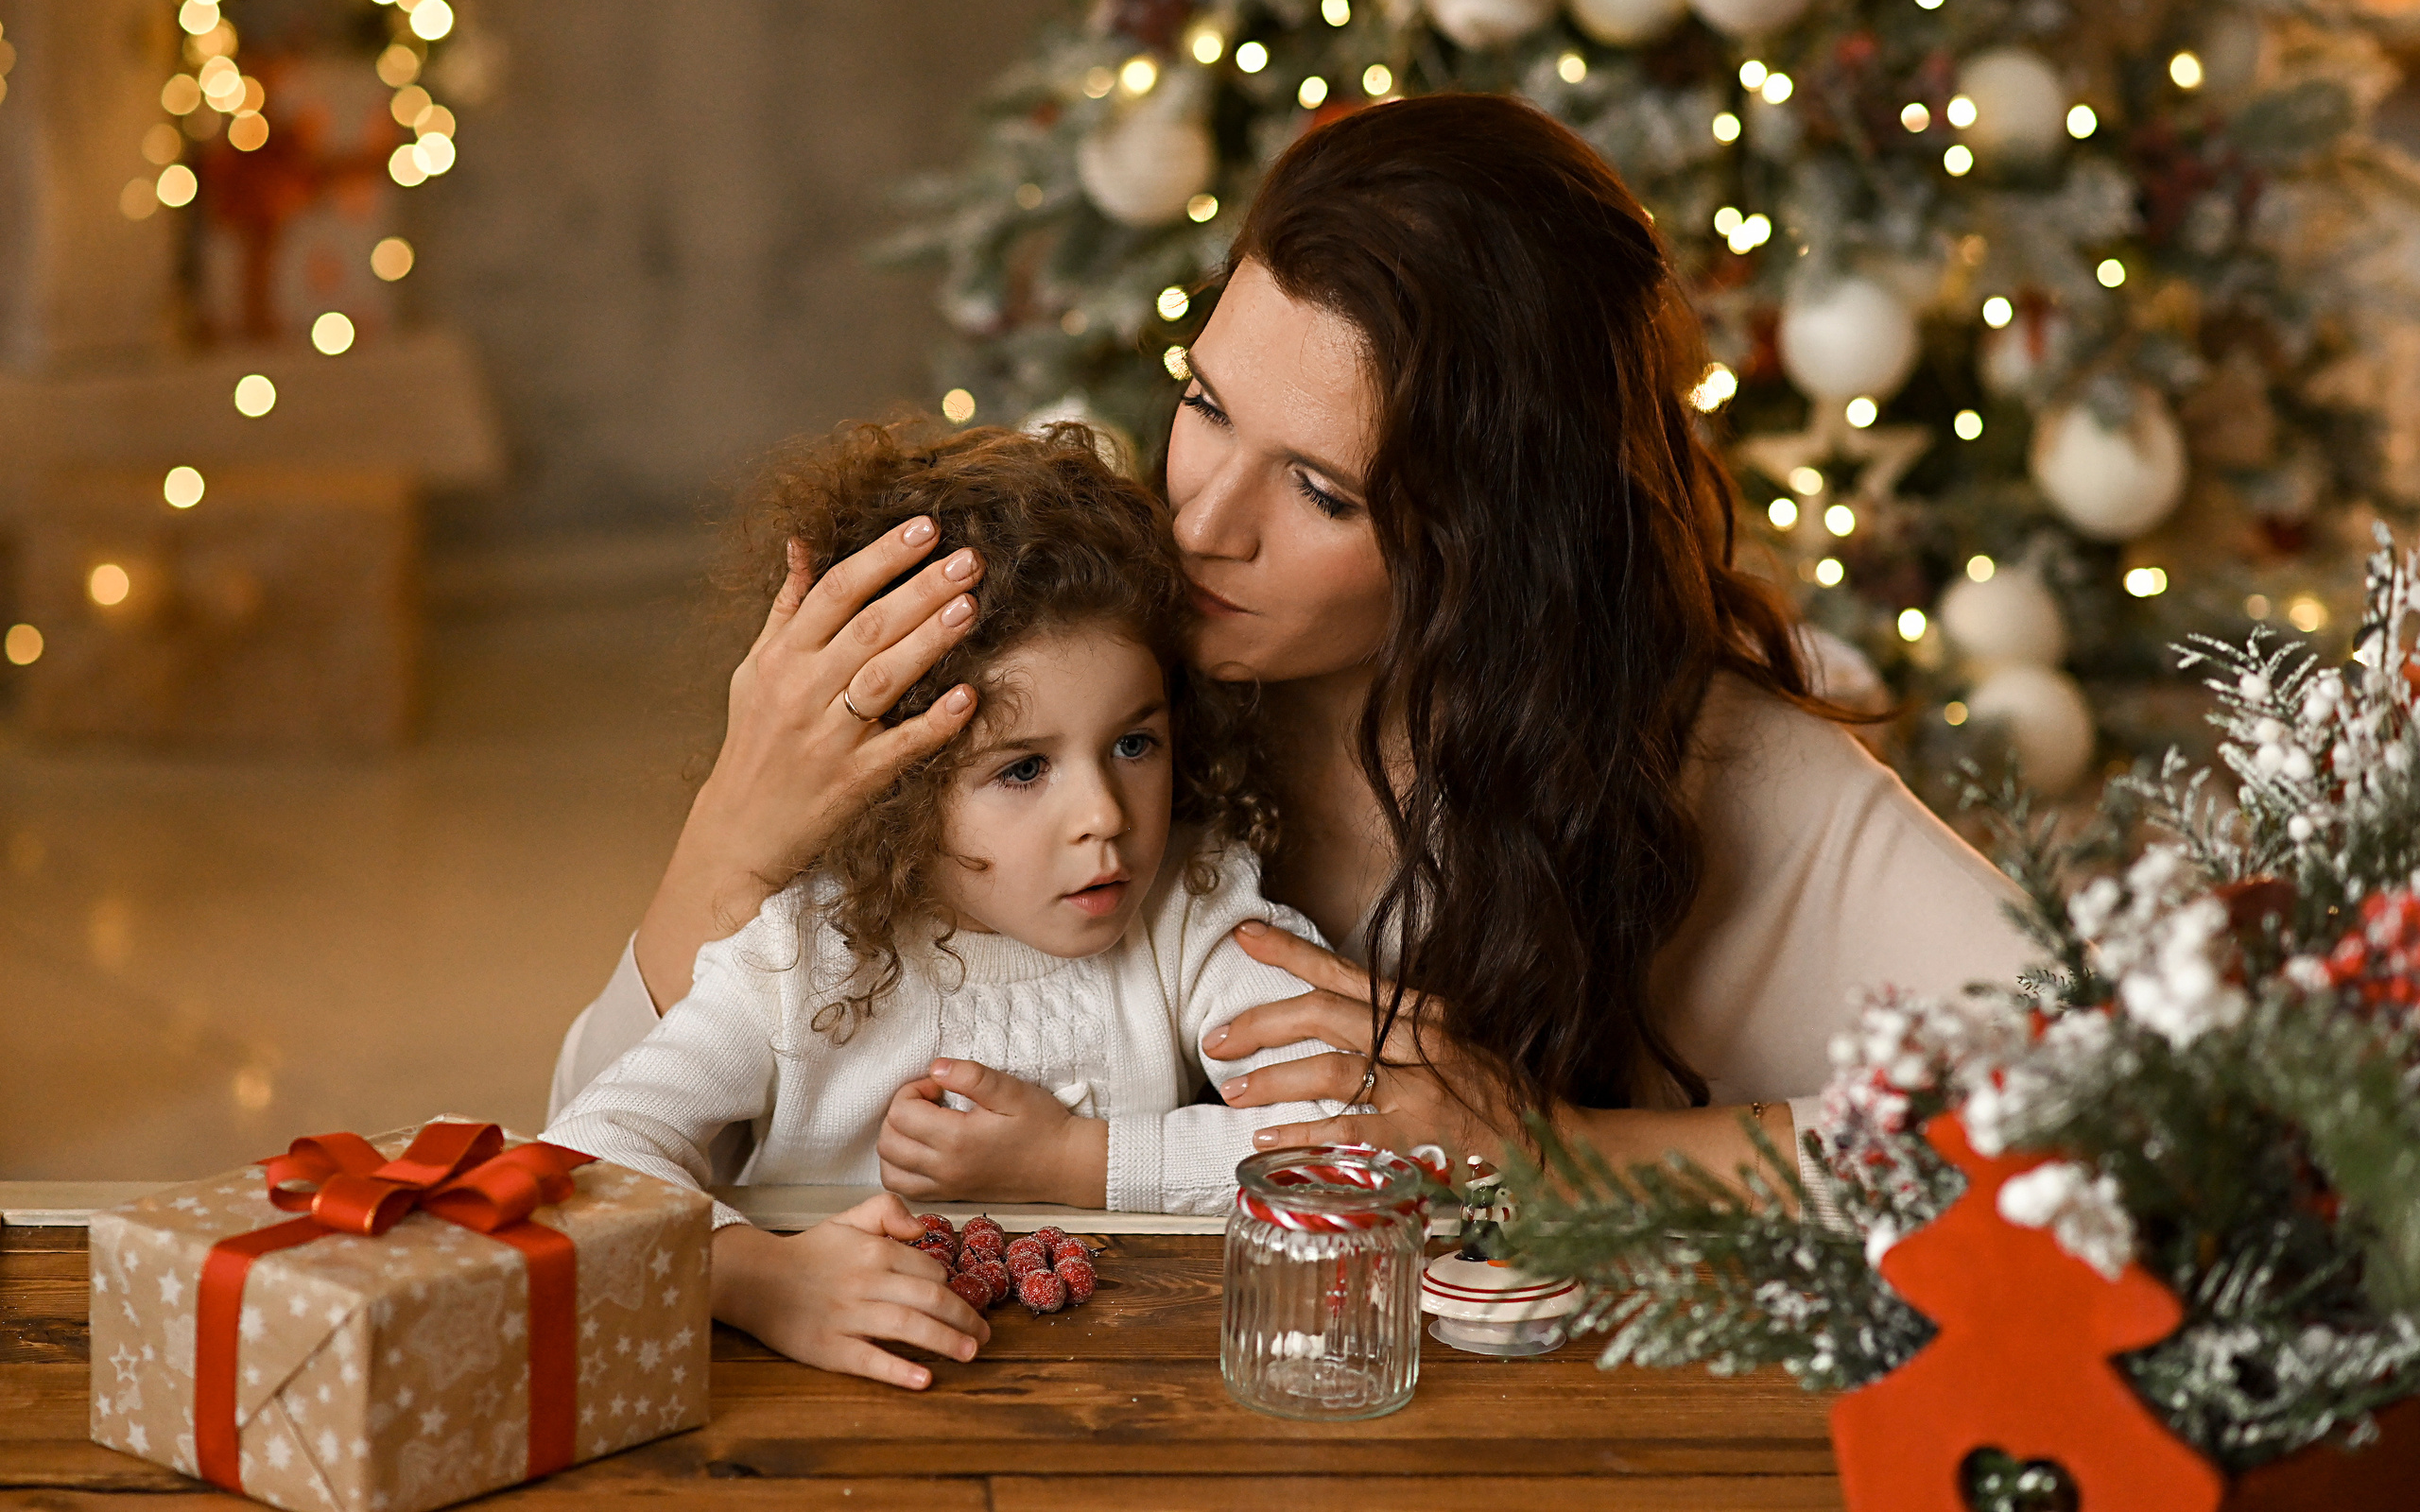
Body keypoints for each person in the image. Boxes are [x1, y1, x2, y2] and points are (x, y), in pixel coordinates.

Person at [551, 92, 2031, 1211]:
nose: (1199, 519)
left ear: (1495, 537)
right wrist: (733, 835)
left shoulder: (1721, 766)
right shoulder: (1100, 674)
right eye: (1203, 405)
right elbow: (588, 1159)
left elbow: (2096, 1102)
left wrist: (1564, 1152)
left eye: (1320, 491)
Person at [545, 421, 1340, 1387]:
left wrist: (1079, 1163)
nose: (1102, 818)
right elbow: (585, 1157)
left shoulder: (1191, 905)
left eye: (1134, 744)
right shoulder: (803, 954)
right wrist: (757, 1277)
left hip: (1127, 1405)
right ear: (903, 784)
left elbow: (1350, 1133)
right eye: (1023, 768)